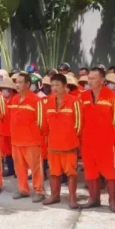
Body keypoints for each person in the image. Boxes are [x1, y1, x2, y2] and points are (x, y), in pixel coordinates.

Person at [79, 65, 115, 212]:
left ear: (102, 80)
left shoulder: (112, 97)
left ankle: (112, 201)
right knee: (90, 172)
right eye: (89, 78)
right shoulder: (83, 96)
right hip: (88, 141)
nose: (89, 81)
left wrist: (111, 139)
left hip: (106, 143)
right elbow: (80, 119)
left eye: (93, 78)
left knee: (109, 173)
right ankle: (93, 199)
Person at [43, 73, 82, 208]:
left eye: (57, 85)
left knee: (71, 173)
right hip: (53, 145)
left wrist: (71, 139)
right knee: (53, 172)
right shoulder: (47, 102)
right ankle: (54, 196)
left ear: (65, 86)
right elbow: (45, 125)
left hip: (69, 145)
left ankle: (72, 198)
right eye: (52, 85)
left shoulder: (74, 101)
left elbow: (79, 124)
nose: (54, 88)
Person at [10, 73, 46, 202]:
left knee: (35, 168)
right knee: (19, 168)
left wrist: (33, 134)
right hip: (16, 141)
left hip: (31, 141)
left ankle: (39, 191)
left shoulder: (36, 100)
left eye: (20, 82)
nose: (17, 85)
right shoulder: (14, 99)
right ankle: (23, 190)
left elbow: (42, 122)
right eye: (16, 82)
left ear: (28, 84)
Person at [0, 72, 16, 177]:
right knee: (7, 151)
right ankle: (11, 170)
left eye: (5, 88)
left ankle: (18, 170)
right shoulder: (3, 100)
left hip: (14, 130)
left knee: (16, 152)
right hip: (4, 130)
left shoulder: (15, 99)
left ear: (10, 89)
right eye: (2, 88)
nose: (3, 90)